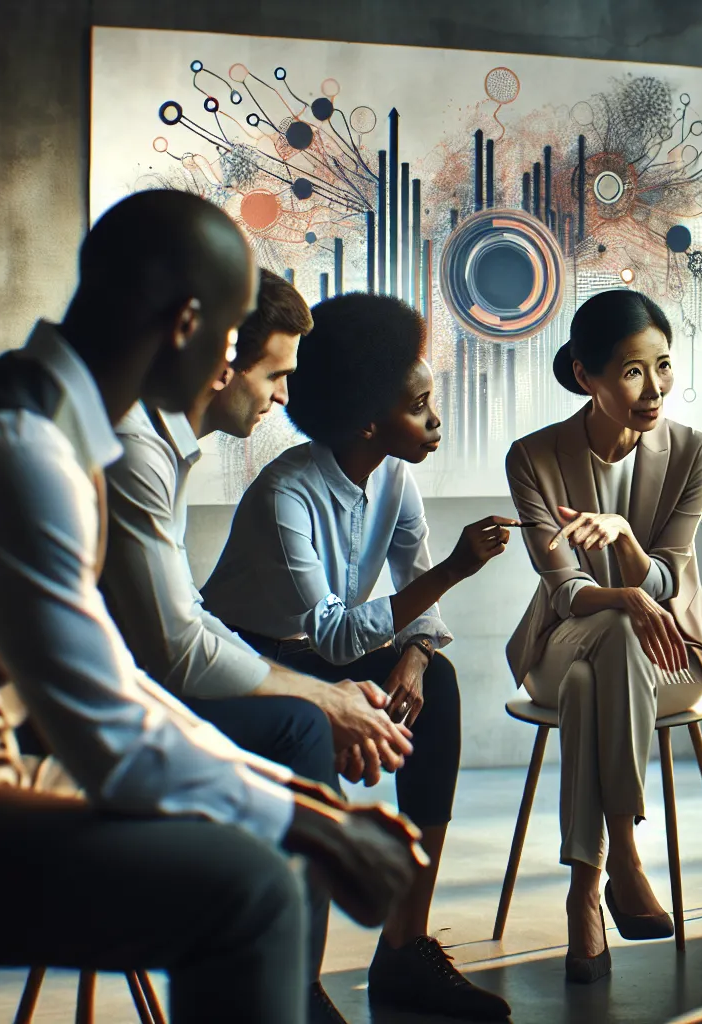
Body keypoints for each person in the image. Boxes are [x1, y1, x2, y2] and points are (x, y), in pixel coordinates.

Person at [0, 190, 423, 1022]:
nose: (230, 366)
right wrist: (308, 825)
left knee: (261, 843)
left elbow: (119, 680)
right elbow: (111, 735)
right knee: (249, 888)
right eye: (228, 338)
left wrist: (293, 799)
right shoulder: (20, 454)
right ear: (186, 322)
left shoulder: (49, 433)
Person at [99, 268, 413, 1023]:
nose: (281, 397)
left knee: (323, 710)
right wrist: (321, 696)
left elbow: (187, 618)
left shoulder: (163, 447)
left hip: (138, 679)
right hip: (97, 708)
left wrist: (340, 694)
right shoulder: (137, 452)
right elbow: (177, 648)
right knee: (298, 723)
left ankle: (383, 949)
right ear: (222, 357)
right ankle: (290, 988)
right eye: (275, 373)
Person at [202, 292, 514, 1020]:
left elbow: (414, 593)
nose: (436, 419)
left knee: (436, 683)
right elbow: (338, 634)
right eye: (420, 406)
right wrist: (457, 570)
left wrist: (414, 656)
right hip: (254, 664)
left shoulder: (395, 476)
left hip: (323, 652)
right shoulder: (287, 493)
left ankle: (405, 949)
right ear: (371, 420)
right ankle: (298, 982)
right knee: (307, 745)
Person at [505, 289, 702, 983]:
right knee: (606, 630)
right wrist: (626, 597)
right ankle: (628, 856)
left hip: (674, 653)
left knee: (591, 680)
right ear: (585, 375)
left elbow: (666, 580)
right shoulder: (533, 458)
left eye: (663, 365)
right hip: (566, 638)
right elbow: (567, 592)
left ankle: (585, 891)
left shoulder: (694, 452)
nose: (655, 387)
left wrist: (629, 542)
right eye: (633, 371)